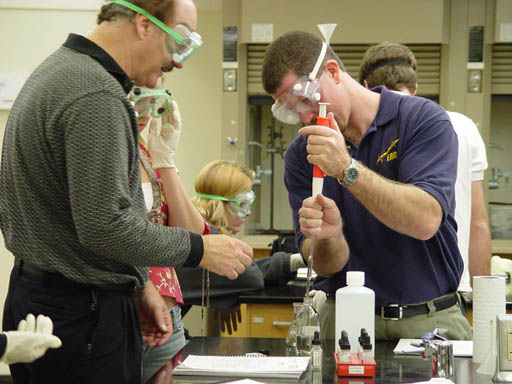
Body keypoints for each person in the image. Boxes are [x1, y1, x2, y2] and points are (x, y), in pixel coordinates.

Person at [0, 0, 252, 382]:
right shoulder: (96, 93)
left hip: (45, 299)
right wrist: (199, 249)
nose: (179, 62)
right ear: (142, 25)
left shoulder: (59, 70)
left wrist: (139, 281)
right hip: (80, 316)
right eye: (179, 42)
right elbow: (105, 227)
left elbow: (78, 217)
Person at [261, 30, 472, 342]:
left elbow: (426, 220)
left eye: (306, 99)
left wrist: (347, 170)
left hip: (427, 322)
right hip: (345, 323)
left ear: (332, 71)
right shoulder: (302, 154)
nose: (305, 115)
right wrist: (329, 238)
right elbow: (325, 265)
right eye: (292, 110)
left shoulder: (421, 120)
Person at [358, 42, 491, 299]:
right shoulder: (463, 127)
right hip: (451, 290)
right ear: (416, 88)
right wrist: (483, 301)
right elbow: (479, 223)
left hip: (378, 293)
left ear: (365, 87)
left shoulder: (361, 133)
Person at [130, 84, 206, 382]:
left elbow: (191, 233)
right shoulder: (103, 154)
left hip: (168, 318)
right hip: (130, 314)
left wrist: (165, 161)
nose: (145, 115)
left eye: (153, 105)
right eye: (139, 103)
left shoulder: (145, 151)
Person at [177, 160, 306, 334]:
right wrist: (231, 291)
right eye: (242, 203)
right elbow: (249, 277)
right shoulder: (200, 236)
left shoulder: (196, 226)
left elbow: (240, 270)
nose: (249, 212)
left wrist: (292, 262)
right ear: (219, 203)